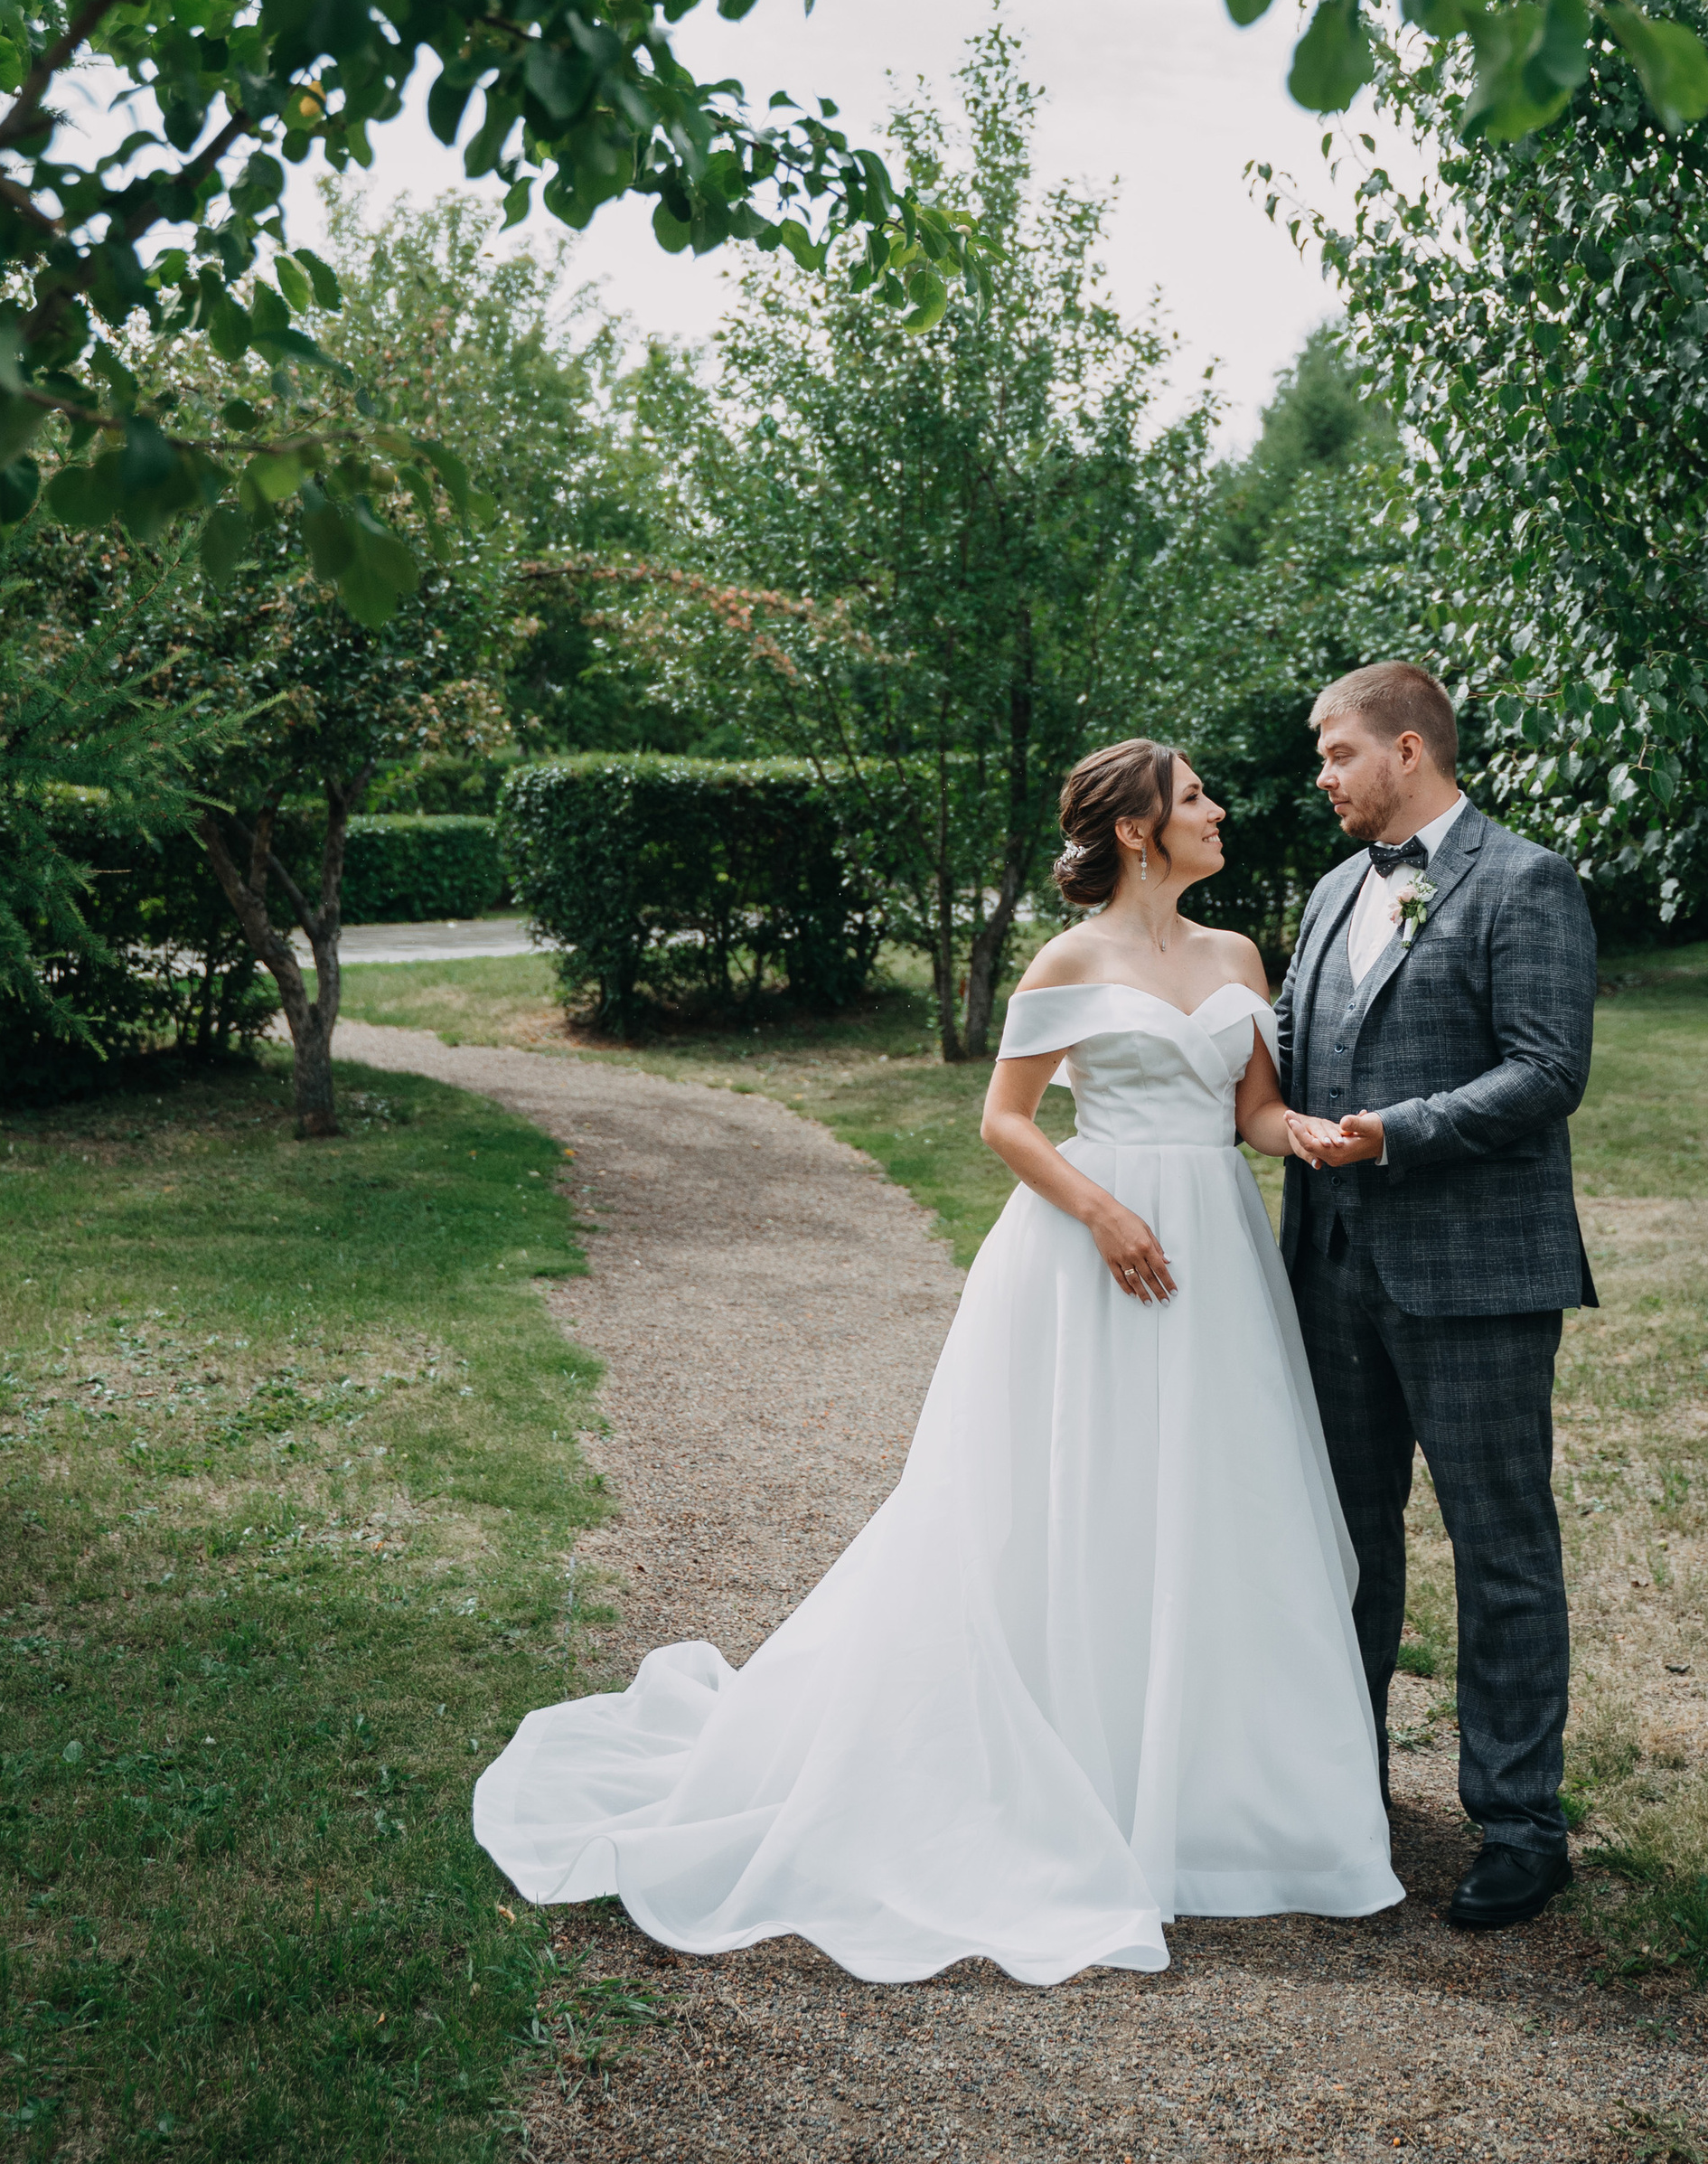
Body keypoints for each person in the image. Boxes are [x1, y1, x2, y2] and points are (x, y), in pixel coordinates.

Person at [474, 738, 1399, 1983]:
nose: (1218, 810)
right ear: (1137, 828)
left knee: (1213, 1499)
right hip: (1094, 1247)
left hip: (1218, 1253)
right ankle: (1066, 1770)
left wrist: (1312, 1136)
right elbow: (1004, 1119)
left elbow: (1248, 1112)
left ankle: (1221, 1802)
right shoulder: (1069, 961)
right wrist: (1104, 1212)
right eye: (1194, 798)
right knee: (1072, 1498)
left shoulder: (1238, 957)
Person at [1277, 662, 1599, 1933]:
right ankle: (1340, 1793)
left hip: (1475, 1279)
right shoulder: (1323, 897)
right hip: (1329, 1277)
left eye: (1337, 752)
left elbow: (1547, 1070)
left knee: (1502, 1550)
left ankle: (1521, 1826)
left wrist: (1393, 1133)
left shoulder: (1526, 881)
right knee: (1342, 1545)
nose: (1323, 775)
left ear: (1408, 752)